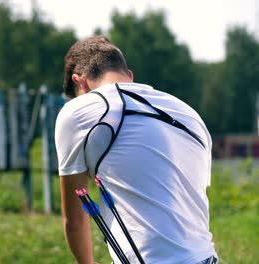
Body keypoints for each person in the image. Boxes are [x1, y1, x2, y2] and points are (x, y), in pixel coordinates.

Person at [55, 36, 218, 264]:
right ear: (129, 77)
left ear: (79, 82)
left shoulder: (77, 111)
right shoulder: (189, 114)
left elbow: (74, 220)